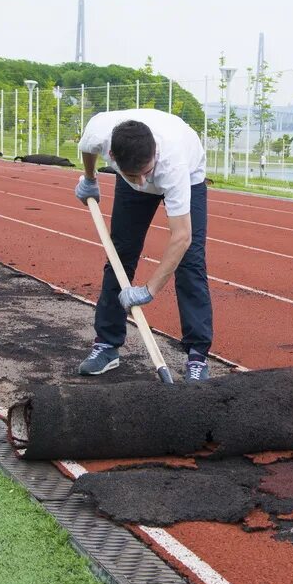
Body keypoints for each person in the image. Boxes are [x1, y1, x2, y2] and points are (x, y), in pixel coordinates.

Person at [74, 108, 213, 382]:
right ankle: (106, 345)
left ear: (154, 156)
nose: (142, 182)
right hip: (133, 165)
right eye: (133, 176)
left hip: (188, 174)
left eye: (145, 173)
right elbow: (86, 149)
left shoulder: (173, 164)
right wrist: (90, 180)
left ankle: (197, 356)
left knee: (191, 262)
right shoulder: (99, 134)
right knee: (119, 254)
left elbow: (181, 236)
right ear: (112, 157)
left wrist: (148, 291)